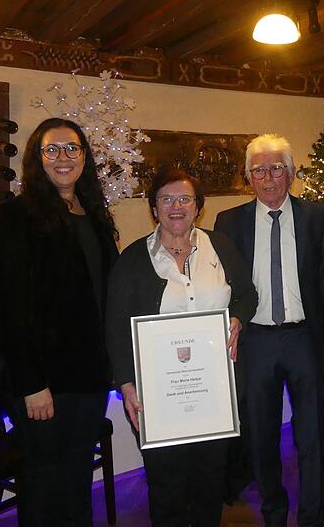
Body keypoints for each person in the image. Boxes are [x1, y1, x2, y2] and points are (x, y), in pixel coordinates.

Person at [106, 166, 257, 527]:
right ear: (154, 208)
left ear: (198, 207)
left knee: (210, 482)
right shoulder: (132, 259)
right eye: (167, 199)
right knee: (167, 487)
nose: (176, 206)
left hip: (215, 391)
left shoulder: (219, 246)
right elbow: (115, 326)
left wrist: (237, 318)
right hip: (159, 395)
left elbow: (247, 296)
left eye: (185, 199)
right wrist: (127, 385)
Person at [214, 134, 324, 527]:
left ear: (290, 174)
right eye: (258, 170)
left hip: (305, 339)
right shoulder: (229, 222)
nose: (267, 178)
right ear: (248, 176)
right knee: (260, 436)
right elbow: (225, 287)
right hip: (256, 341)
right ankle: (273, 513)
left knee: (312, 436)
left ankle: (311, 517)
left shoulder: (315, 216)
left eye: (276, 169)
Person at [0, 118, 119, 525]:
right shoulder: (19, 215)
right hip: (43, 380)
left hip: (89, 376)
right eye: (52, 149)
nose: (63, 158)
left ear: (85, 155)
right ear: (37, 157)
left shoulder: (95, 214)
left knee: (77, 475)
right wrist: (32, 384)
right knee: (44, 482)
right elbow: (12, 307)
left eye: (73, 148)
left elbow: (103, 296)